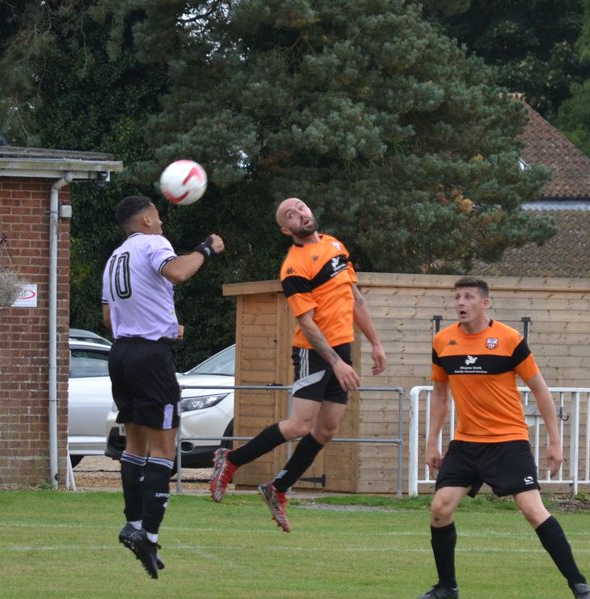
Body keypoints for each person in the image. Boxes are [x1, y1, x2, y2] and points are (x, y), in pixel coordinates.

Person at [208, 197, 387, 531]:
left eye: (301, 208)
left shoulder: (335, 244)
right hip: (312, 352)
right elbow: (306, 323)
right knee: (299, 425)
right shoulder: (293, 266)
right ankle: (230, 459)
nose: (300, 214)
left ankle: (277, 487)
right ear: (285, 229)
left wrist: (375, 344)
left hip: (341, 351)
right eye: (290, 214)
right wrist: (335, 363)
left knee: (328, 428)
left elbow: (355, 298)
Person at [421, 277, 590, 599]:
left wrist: (555, 442)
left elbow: (541, 390)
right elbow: (440, 396)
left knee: (532, 510)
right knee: (440, 508)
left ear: (484, 303)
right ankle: (447, 587)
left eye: (469, 296)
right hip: (466, 443)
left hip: (508, 442)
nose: (461, 302)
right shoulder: (443, 342)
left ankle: (579, 584)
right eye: (457, 296)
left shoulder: (509, 339)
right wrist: (432, 443)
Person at [101, 195, 224, 578]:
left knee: (135, 446)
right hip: (151, 359)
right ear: (149, 220)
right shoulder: (154, 243)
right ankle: (149, 536)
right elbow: (177, 273)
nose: (162, 223)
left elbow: (109, 316)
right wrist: (206, 249)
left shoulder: (114, 258)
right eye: (159, 217)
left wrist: (165, 325)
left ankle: (134, 523)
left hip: (121, 354)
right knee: (163, 450)